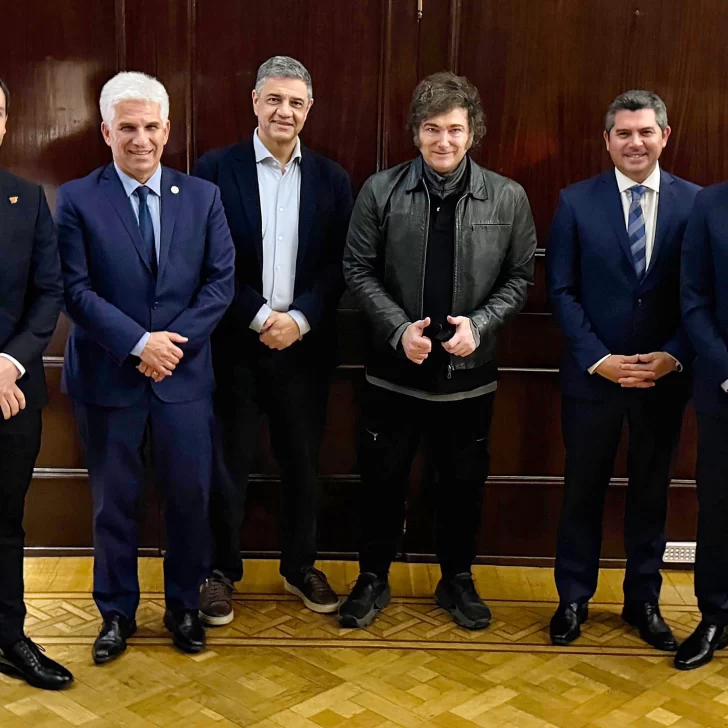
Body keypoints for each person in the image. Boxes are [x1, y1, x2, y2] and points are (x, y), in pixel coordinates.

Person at [341, 71, 536, 630]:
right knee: (381, 482)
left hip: (469, 376)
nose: (443, 140)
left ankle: (457, 580)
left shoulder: (509, 196)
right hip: (392, 373)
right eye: (432, 128)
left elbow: (520, 277)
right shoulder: (380, 190)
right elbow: (356, 269)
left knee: (461, 486)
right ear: (415, 133)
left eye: (454, 128)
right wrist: (399, 329)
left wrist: (482, 323)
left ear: (472, 131)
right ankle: (372, 577)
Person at [56, 71, 235, 663]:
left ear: (167, 130)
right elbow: (75, 292)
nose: (141, 139)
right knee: (114, 503)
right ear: (106, 132)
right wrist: (138, 344)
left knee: (189, 497)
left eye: (151, 127)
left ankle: (184, 607)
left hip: (182, 378)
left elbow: (220, 283)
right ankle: (115, 614)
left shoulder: (203, 196)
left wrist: (168, 346)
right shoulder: (78, 199)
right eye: (127, 127)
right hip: (109, 379)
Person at [192, 56, 352, 624]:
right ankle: (219, 571)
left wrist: (300, 319)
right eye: (275, 99)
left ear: (309, 110)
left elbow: (341, 264)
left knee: (303, 464)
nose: (285, 111)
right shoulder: (214, 170)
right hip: (234, 345)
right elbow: (207, 261)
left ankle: (300, 566)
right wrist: (260, 317)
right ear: (255, 102)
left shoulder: (332, 179)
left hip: (305, 350)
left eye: (297, 102)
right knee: (227, 462)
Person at [546, 90, 699, 650]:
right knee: (581, 491)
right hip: (593, 380)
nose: (635, 142)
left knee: (650, 494)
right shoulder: (574, 202)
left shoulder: (695, 204)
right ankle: (573, 599)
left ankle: (644, 601)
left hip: (664, 379)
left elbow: (700, 294)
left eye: (645, 132)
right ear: (607, 140)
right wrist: (600, 359)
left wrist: (672, 355)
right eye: (624, 133)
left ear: (665, 135)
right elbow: (560, 291)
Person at [0, 76, 72, 690]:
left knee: (5, 521)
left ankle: (8, 637)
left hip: (12, 393)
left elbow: (49, 293)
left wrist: (10, 361)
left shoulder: (27, 199)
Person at [677, 178, 728, 669]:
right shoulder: (710, 204)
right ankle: (715, 614)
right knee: (718, 506)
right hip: (724, 388)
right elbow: (693, 298)